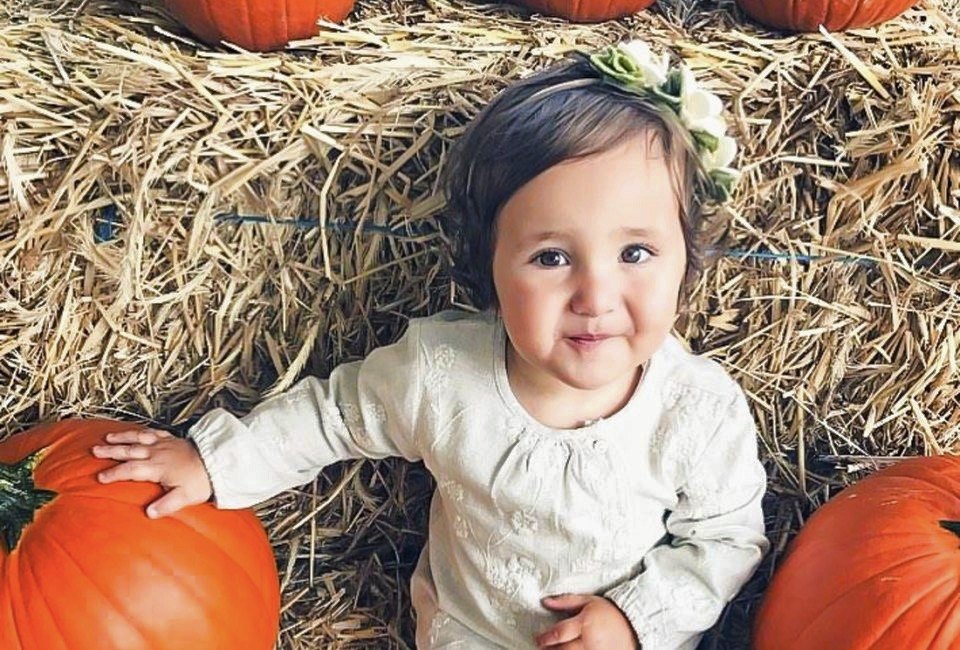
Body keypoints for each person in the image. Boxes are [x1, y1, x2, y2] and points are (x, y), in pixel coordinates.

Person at [92, 40, 769, 650]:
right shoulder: (440, 376)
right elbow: (332, 416)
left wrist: (634, 619)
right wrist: (218, 465)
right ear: (491, 269)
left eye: (635, 252)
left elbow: (727, 539)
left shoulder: (696, 411)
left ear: (688, 257)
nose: (596, 294)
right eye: (552, 258)